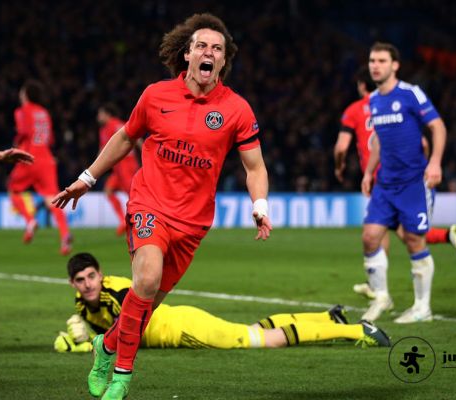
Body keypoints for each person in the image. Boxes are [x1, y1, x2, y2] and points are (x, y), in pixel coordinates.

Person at [52, 13, 273, 399]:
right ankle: (121, 375)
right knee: (147, 279)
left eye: (217, 49)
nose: (209, 53)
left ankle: (105, 346)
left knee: (146, 305)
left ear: (224, 61)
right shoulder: (156, 95)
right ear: (187, 54)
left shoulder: (237, 109)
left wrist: (261, 204)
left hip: (193, 223)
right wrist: (87, 179)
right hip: (150, 205)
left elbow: (254, 165)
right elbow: (125, 138)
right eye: (202, 46)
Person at [55, 253, 390, 354]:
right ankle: (325, 318)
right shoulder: (83, 303)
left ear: (101, 275)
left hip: (182, 330)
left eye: (91, 277)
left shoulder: (119, 292)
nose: (87, 285)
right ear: (73, 283)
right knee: (256, 329)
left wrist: (86, 345)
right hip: (180, 320)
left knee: (261, 340)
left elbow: (125, 332)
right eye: (81, 280)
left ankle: (356, 331)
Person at [333, 67, 456, 300]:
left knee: (392, 233)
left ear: (360, 85)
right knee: (391, 231)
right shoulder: (381, 103)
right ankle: (446, 237)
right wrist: (426, 164)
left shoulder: (357, 109)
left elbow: (341, 147)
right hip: (397, 175)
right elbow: (423, 143)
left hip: (388, 178)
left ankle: (379, 289)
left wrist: (339, 166)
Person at [359, 42, 447, 324]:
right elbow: (379, 142)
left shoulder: (410, 93)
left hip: (413, 183)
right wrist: (369, 172)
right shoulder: (374, 99)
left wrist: (434, 162)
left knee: (413, 241)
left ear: (395, 65)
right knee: (370, 237)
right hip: (385, 183)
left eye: (382, 61)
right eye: (372, 60)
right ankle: (382, 297)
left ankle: (423, 307)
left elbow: (438, 126)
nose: (375, 65)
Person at [7, 80, 72, 255]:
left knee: (13, 191)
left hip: (28, 157)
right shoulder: (44, 113)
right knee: (53, 199)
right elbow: (50, 140)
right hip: (47, 159)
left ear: (26, 95)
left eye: (22, 93)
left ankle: (30, 221)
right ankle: (65, 235)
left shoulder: (21, 111)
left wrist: (15, 146)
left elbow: (24, 132)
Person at [97, 103, 140, 236]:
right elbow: (135, 137)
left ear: (107, 114)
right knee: (108, 190)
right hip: (122, 166)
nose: (98, 117)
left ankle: (138, 223)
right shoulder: (121, 123)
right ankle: (122, 221)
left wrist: (95, 166)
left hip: (124, 165)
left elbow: (104, 150)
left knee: (133, 196)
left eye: (100, 114)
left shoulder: (109, 127)